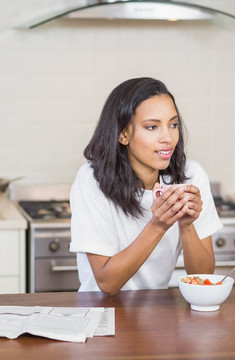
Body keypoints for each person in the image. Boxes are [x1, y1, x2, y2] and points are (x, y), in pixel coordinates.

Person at [69, 77, 223, 295]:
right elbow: (107, 283)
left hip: (158, 312)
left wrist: (187, 226)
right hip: (102, 310)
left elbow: (204, 276)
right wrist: (158, 225)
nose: (168, 138)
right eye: (152, 127)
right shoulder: (92, 181)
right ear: (123, 134)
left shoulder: (191, 176)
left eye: (173, 125)